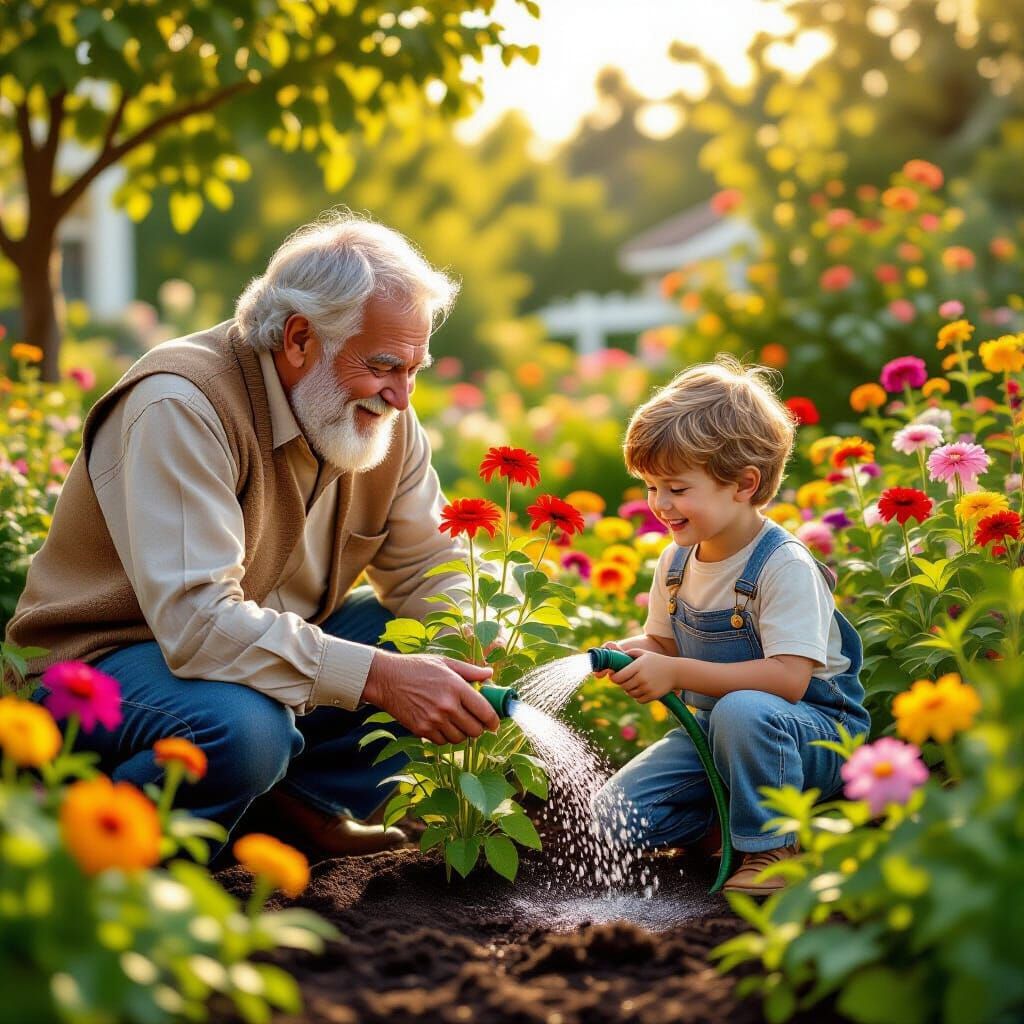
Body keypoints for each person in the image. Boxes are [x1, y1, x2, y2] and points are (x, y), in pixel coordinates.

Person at [7, 210, 501, 856]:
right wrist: (383, 678)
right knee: (248, 731)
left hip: (236, 661)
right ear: (299, 339)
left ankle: (294, 810)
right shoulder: (181, 404)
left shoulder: (377, 418)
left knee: (424, 644)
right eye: (385, 366)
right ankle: (79, 853)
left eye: (415, 369)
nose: (402, 397)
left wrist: (477, 645)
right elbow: (199, 624)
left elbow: (432, 566)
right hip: (102, 668)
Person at [591, 355, 870, 896]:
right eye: (650, 487)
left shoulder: (783, 564)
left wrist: (675, 672)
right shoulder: (676, 561)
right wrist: (631, 652)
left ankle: (773, 848)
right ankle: (729, 828)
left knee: (743, 711)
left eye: (676, 488)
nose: (659, 504)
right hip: (719, 735)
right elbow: (664, 642)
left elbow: (788, 679)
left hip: (811, 737)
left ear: (743, 484)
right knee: (612, 818)